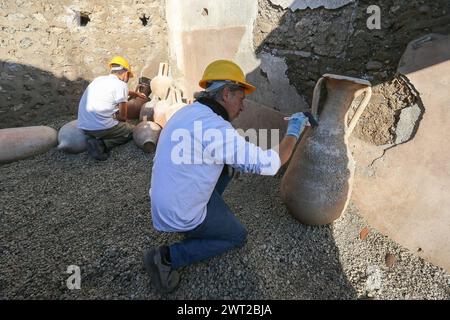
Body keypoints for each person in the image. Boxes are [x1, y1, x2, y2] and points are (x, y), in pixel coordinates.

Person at [144, 60, 312, 293]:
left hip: (166, 199)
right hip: (181, 211)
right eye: (241, 99)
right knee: (236, 236)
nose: (242, 107)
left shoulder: (188, 111)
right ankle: (167, 257)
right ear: (226, 93)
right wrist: (294, 131)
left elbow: (223, 149)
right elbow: (270, 164)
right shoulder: (216, 129)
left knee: (228, 167)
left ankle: (203, 221)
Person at [77, 56, 146, 160]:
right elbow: (123, 117)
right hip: (100, 128)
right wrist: (119, 118)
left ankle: (94, 137)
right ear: (126, 73)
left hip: (83, 125)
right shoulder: (121, 85)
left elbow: (116, 92)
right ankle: (103, 144)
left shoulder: (98, 80)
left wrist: (135, 93)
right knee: (133, 131)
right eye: (129, 76)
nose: (128, 79)